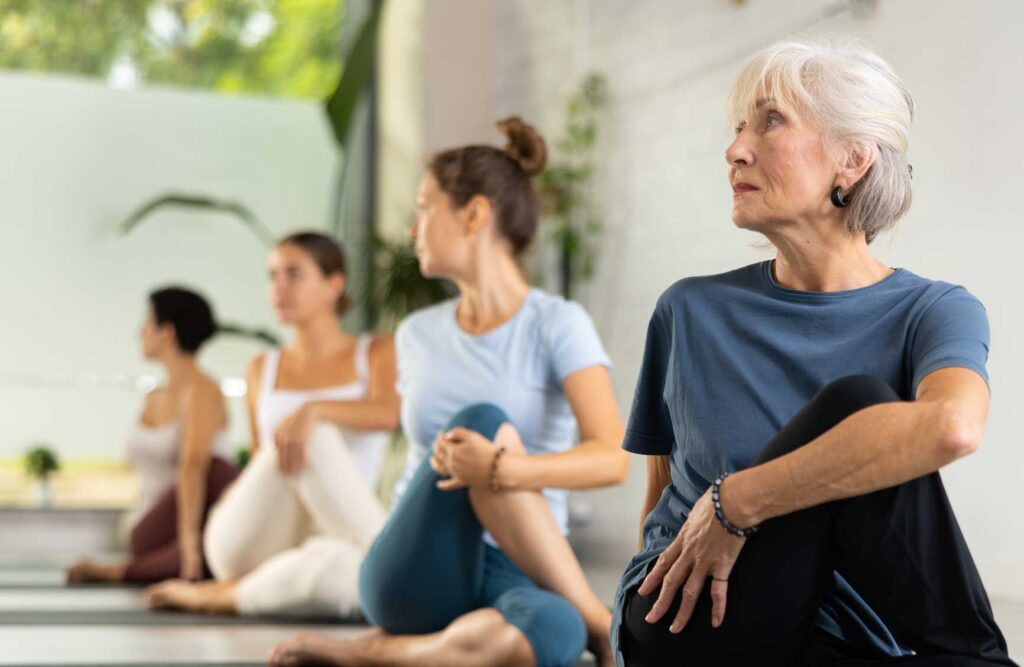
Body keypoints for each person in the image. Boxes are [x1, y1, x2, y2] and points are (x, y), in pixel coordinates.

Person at [613, 40, 1017, 666]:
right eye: (738, 127)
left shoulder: (934, 310)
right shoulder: (688, 310)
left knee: (870, 419)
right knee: (859, 407)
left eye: (769, 122)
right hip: (693, 614)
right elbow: (661, 491)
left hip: (842, 632)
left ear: (852, 160)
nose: (736, 148)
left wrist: (737, 501)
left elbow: (953, 426)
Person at [268, 117, 628, 667]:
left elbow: (611, 459)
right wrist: (488, 461)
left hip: (523, 563)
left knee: (551, 635)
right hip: (416, 566)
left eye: (424, 207)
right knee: (479, 420)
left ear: (475, 214)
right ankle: (597, 619)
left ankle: (379, 655)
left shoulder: (557, 324)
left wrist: (504, 470)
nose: (413, 230)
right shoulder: (417, 335)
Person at [144, 232, 399, 618]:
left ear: (335, 284)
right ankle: (396, 566)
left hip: (333, 538)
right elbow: (264, 463)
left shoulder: (377, 352)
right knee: (311, 438)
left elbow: (389, 413)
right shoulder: (262, 368)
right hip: (251, 538)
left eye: (294, 274)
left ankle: (230, 595)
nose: (279, 287)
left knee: (342, 574)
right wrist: (309, 418)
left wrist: (314, 409)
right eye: (273, 276)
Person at [67, 287, 237, 585]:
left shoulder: (203, 391)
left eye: (147, 322)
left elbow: (193, 466)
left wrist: (188, 541)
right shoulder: (153, 396)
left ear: (167, 332)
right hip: (149, 531)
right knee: (219, 474)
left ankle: (154, 563)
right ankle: (157, 563)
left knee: (215, 471)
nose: (140, 331)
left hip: (188, 526)